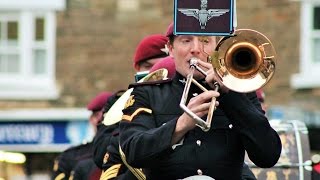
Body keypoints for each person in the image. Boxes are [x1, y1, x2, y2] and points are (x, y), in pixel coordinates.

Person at [118, 23, 282, 179]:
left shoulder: (240, 94)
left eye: (205, 41)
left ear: (217, 48)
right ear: (170, 49)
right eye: (186, 40)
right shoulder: (147, 92)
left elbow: (268, 155)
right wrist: (180, 125)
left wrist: (230, 95)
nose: (195, 49)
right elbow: (132, 152)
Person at [93, 34, 169, 179]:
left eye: (163, 64)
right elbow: (100, 154)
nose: (156, 70)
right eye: (148, 66)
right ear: (137, 68)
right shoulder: (118, 102)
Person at [51, 92, 113, 180]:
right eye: (100, 119)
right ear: (92, 119)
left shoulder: (129, 152)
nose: (104, 125)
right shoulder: (71, 157)